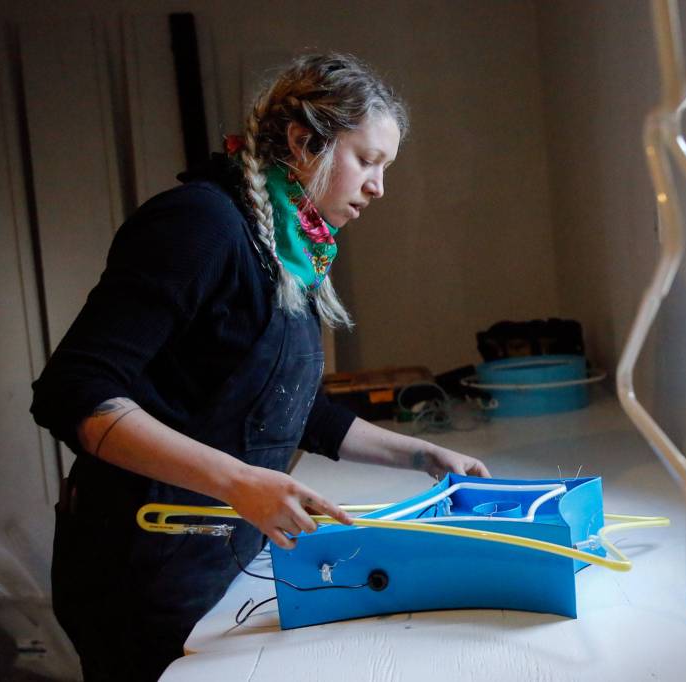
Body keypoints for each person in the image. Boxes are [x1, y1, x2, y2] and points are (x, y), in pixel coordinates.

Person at [30, 53, 490, 681]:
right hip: (138, 569)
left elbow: (288, 408)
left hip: (218, 556)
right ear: (303, 143)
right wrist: (240, 482)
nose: (379, 187)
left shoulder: (285, 246)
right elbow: (73, 391)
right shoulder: (200, 225)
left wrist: (421, 456)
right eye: (367, 160)